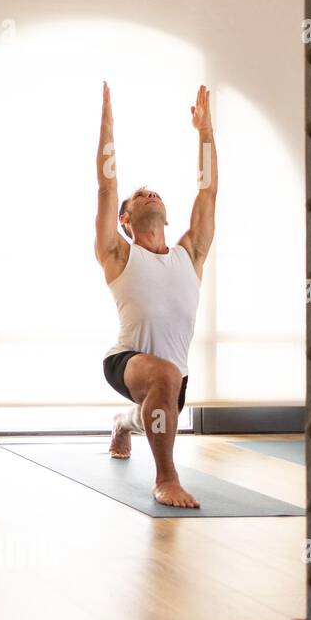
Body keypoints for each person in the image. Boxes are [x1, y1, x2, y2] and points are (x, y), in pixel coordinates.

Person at [95, 81, 216, 508]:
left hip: (171, 381)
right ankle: (166, 479)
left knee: (159, 403)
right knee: (161, 379)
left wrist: (205, 132)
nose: (149, 193)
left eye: (154, 192)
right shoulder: (119, 254)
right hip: (124, 361)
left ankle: (121, 424)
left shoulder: (191, 253)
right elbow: (107, 190)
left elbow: (208, 191)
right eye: (139, 195)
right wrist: (107, 127)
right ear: (126, 219)